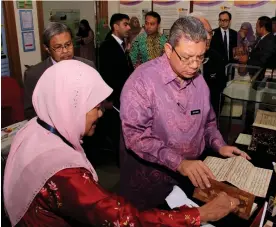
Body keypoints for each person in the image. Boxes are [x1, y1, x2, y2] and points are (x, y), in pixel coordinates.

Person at [3, 60, 240, 227]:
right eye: (95, 107)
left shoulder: (35, 127)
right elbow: (124, 220)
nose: (100, 114)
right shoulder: (64, 173)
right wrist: (200, 214)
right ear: (69, 107)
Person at [119, 16, 251, 210]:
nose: (195, 65)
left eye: (200, 57)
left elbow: (208, 123)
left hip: (189, 182)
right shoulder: (141, 82)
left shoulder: (199, 82)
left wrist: (219, 145)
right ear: (168, 50)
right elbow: (136, 137)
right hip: (150, 188)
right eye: (187, 57)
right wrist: (180, 163)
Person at [23, 22, 95, 120]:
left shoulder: (88, 66)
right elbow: (30, 112)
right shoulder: (34, 75)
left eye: (68, 44)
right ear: (47, 48)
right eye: (58, 47)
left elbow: (99, 102)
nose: (65, 51)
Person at [99, 13, 134, 160]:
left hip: (123, 94)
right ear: (115, 26)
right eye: (125, 24)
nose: (128, 27)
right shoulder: (107, 45)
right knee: (116, 130)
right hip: (114, 97)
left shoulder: (121, 44)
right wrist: (109, 98)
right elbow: (107, 75)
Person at [189, 12, 227, 117]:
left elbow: (220, 88)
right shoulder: (176, 59)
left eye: (210, 33)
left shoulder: (216, 58)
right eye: (204, 32)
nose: (209, 37)